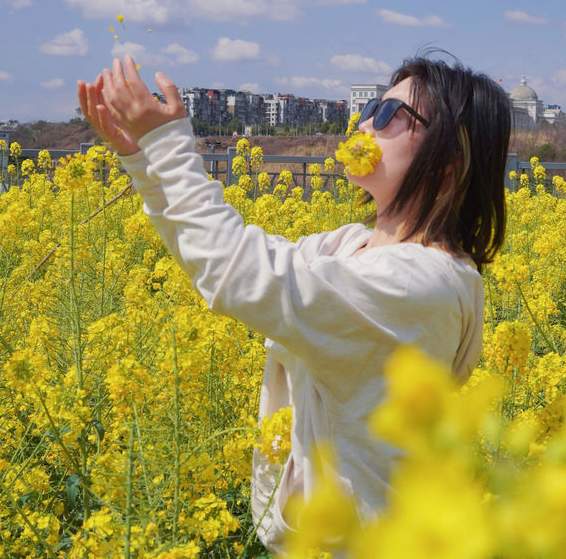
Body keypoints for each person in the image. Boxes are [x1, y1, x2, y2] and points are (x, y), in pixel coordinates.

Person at [77, 53, 511, 555]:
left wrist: (168, 145)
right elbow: (218, 258)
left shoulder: (420, 284)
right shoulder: (350, 245)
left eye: (391, 115)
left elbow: (237, 271)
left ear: (448, 165)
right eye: (370, 108)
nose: (365, 124)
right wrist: (141, 161)